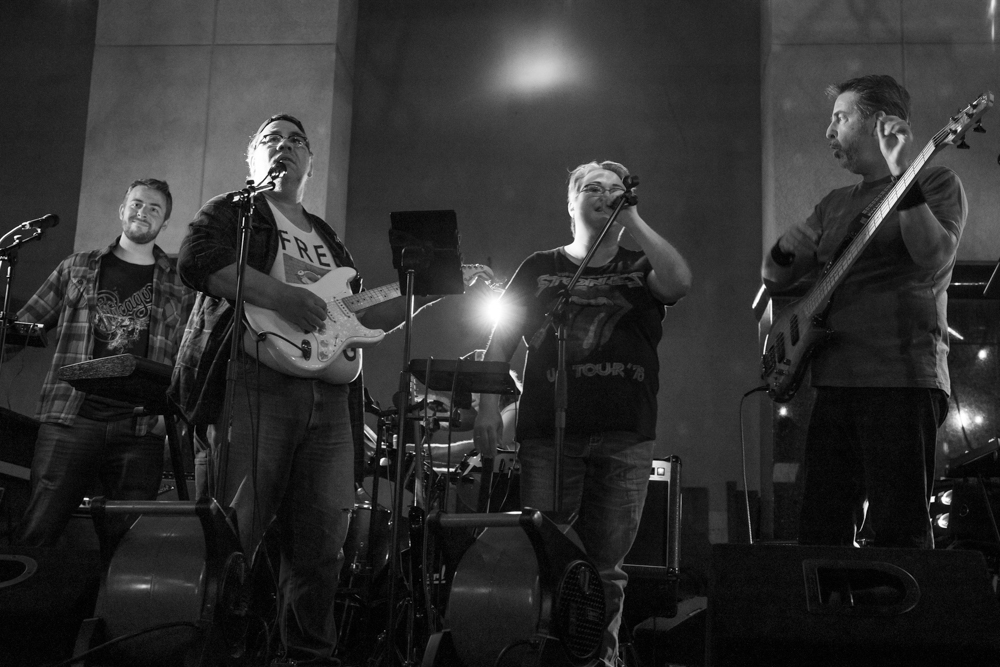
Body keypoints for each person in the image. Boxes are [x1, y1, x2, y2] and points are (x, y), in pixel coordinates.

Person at [170, 113, 488, 666]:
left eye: (297, 140)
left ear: (310, 164)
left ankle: (310, 657)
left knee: (322, 548)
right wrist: (282, 297)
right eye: (272, 138)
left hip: (332, 403)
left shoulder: (328, 240)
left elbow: (356, 318)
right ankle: (217, 652)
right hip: (257, 386)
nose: (285, 146)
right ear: (253, 158)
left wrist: (435, 288)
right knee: (234, 534)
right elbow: (199, 261)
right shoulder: (235, 211)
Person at [473, 160, 692, 667]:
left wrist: (630, 217)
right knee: (544, 555)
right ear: (570, 203)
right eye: (592, 187)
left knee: (607, 566)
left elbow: (679, 282)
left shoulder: (641, 264)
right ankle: (542, 654)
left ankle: (599, 660)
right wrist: (486, 408)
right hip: (549, 434)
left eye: (615, 189)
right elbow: (499, 343)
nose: (605, 194)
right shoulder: (539, 266)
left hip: (625, 432)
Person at [761, 75, 968, 549]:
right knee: (820, 529)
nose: (829, 131)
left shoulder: (936, 180)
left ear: (880, 122)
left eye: (841, 117)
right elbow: (775, 277)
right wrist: (784, 248)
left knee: (899, 531)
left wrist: (902, 175)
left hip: (902, 378)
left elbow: (932, 255)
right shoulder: (834, 203)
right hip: (834, 380)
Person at [15, 178, 193, 548]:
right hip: (71, 418)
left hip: (140, 427)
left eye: (154, 209)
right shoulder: (77, 267)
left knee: (128, 545)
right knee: (39, 529)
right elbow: (22, 327)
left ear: (164, 224)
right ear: (122, 209)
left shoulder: (180, 283)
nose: (143, 212)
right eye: (137, 204)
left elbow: (188, 356)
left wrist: (170, 415)